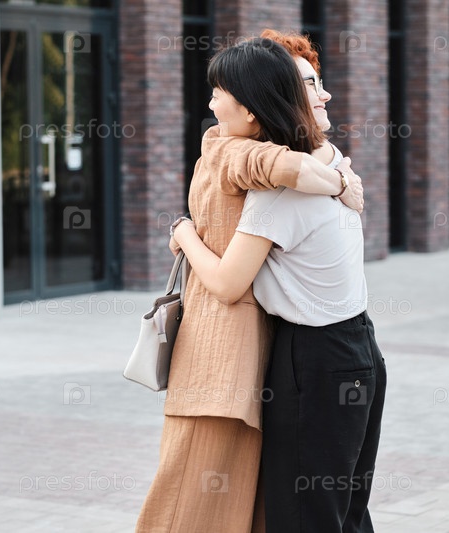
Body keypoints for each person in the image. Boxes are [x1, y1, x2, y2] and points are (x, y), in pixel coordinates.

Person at [135, 38, 363, 533]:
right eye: (307, 86)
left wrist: (182, 233)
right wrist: (341, 179)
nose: (210, 102)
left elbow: (292, 165)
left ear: (254, 107)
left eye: (218, 92)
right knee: (208, 497)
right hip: (234, 350)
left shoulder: (243, 155)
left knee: (208, 502)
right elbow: (295, 167)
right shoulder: (233, 149)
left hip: (233, 352)